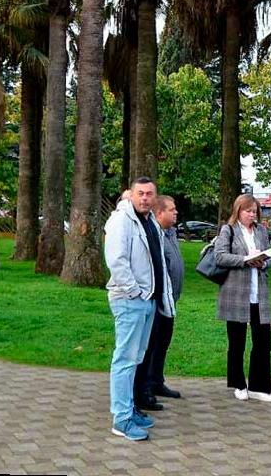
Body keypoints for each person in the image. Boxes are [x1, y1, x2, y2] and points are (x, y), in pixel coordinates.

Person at [104, 177, 175, 441]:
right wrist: (135, 291)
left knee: (136, 359)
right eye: (140, 193)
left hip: (147, 301)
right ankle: (121, 420)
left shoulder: (149, 222)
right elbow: (116, 260)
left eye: (149, 194)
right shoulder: (122, 220)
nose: (145, 198)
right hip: (130, 300)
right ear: (131, 195)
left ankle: (130, 409)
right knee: (124, 360)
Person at [215, 193, 271, 403]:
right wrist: (245, 260)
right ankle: (239, 384)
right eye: (248, 211)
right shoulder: (228, 230)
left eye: (254, 211)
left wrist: (264, 262)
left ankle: (260, 386)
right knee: (237, 341)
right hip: (236, 294)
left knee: (263, 341)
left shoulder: (261, 231)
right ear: (238, 211)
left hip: (259, 293)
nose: (252, 215)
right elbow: (220, 256)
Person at [135, 195, 184, 404]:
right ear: (159, 213)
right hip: (156, 300)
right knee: (151, 345)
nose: (176, 213)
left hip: (170, 300)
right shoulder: (154, 235)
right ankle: (144, 389)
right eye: (171, 210)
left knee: (163, 343)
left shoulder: (171, 233)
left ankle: (156, 381)